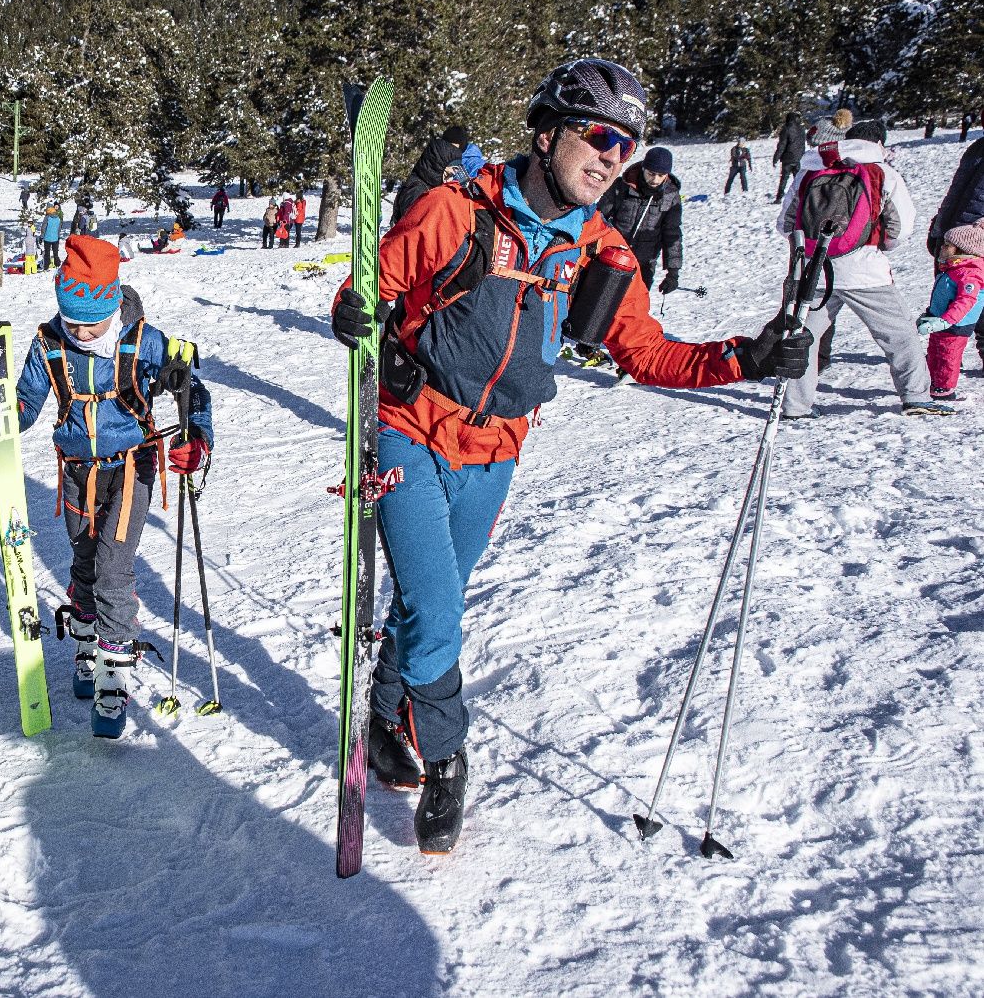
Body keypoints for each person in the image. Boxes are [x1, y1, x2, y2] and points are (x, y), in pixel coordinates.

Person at [328, 58, 813, 855]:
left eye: (624, 146)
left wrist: (747, 357)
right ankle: (448, 757)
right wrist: (354, 314)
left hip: (497, 452)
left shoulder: (600, 254)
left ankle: (387, 714)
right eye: (597, 136)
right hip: (409, 430)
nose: (611, 156)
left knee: (431, 599)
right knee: (440, 608)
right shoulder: (455, 215)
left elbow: (650, 354)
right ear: (547, 133)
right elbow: (370, 288)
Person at [0, 235, 212, 739]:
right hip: (76, 469)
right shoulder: (47, 343)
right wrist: (2, 419)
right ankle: (87, 649)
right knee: (83, 563)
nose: (80, 332)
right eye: (71, 319)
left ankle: (113, 678)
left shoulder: (142, 340)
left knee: (111, 567)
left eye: (91, 322)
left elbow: (193, 385)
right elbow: (27, 402)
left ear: (111, 303)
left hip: (132, 463)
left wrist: (197, 434)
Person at [776, 119, 953, 417]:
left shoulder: (812, 168)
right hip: (865, 271)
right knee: (899, 334)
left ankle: (795, 405)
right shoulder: (882, 171)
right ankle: (916, 396)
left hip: (813, 268)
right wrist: (874, 244)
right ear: (879, 144)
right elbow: (901, 227)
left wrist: (813, 248)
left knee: (803, 335)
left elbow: (785, 223)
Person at [925, 134, 984, 371]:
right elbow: (956, 191)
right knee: (948, 298)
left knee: (972, 297)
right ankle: (944, 361)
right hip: (954, 235)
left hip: (975, 237)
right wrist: (940, 226)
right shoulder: (977, 147)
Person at [599, 145, 684, 293]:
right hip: (613, 257)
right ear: (644, 168)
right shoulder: (622, 187)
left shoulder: (671, 196)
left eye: (661, 175)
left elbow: (672, 234)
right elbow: (599, 218)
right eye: (651, 173)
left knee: (633, 310)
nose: (655, 179)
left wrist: (673, 273)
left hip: (644, 264)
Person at [917, 223, 984, 402]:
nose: (942, 248)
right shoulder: (954, 269)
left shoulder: (970, 273)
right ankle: (932, 381)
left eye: (947, 245)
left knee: (948, 356)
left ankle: (944, 388)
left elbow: (966, 301)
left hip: (955, 325)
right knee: (934, 352)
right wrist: (929, 315)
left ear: (963, 250)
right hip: (939, 320)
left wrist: (946, 321)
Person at [392, 125, 471, 227]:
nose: (452, 152)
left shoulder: (458, 170)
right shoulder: (419, 185)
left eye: (457, 151)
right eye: (450, 148)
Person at [772, 112, 806, 202]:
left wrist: (776, 158)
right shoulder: (802, 129)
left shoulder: (786, 129)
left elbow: (782, 145)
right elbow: (802, 144)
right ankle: (801, 197)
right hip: (799, 158)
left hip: (788, 158)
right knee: (798, 179)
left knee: (784, 179)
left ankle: (779, 198)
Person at [40, 200, 64, 271]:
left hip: (47, 238)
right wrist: (58, 236)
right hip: (55, 238)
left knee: (47, 253)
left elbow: (43, 228)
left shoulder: (47, 218)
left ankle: (46, 266)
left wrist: (41, 236)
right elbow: (59, 229)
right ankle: (57, 265)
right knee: (55, 253)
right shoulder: (58, 218)